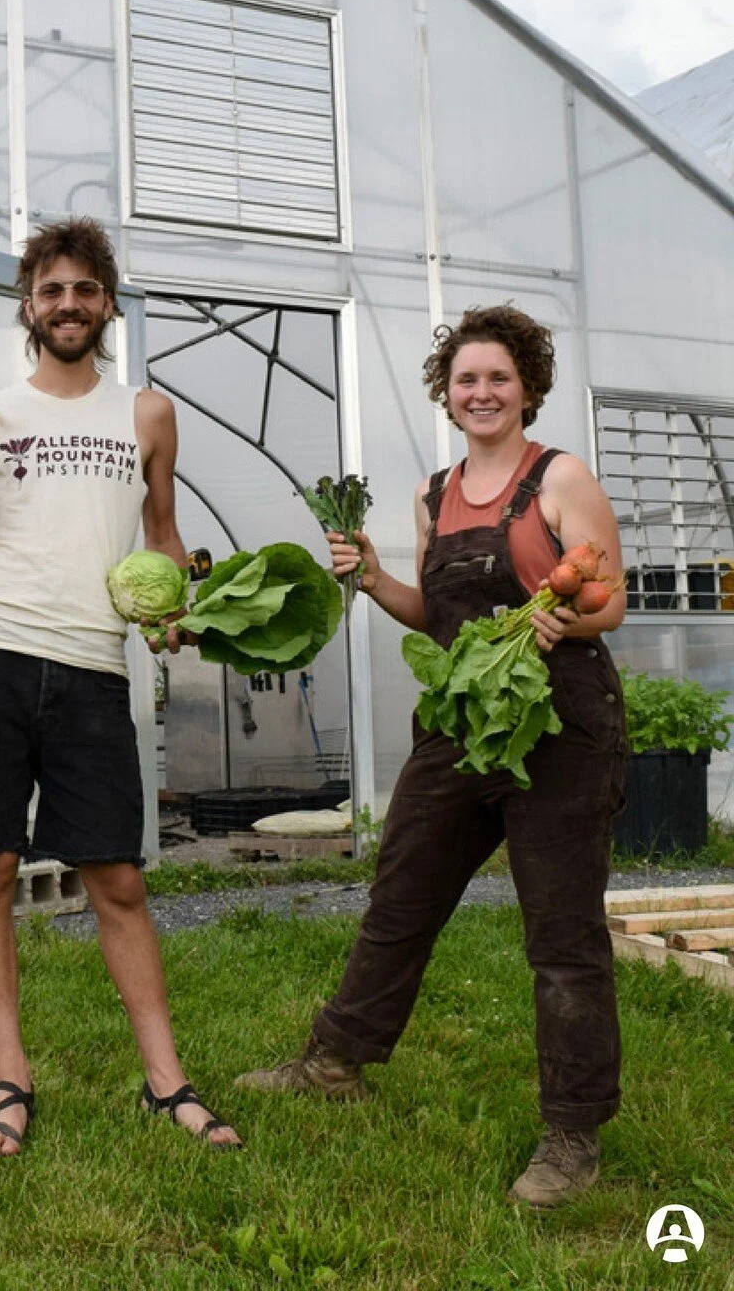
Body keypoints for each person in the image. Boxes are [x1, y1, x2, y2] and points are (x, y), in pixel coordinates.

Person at [0, 217, 240, 1155]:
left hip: (93, 669)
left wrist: (174, 603)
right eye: (51, 290)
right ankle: (8, 1077)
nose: (69, 304)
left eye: (86, 289)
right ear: (26, 306)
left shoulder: (146, 414)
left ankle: (168, 1081)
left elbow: (160, 530)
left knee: (116, 876)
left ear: (107, 305)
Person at [236, 306, 627, 1208]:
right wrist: (373, 576)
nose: (481, 392)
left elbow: (608, 599)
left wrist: (564, 617)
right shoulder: (432, 493)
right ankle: (336, 1060)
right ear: (446, 394)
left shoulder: (559, 477)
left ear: (527, 387)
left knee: (562, 933)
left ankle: (572, 1132)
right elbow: (435, 614)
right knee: (402, 894)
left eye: (498, 377)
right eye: (466, 380)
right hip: (462, 720)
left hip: (559, 724)